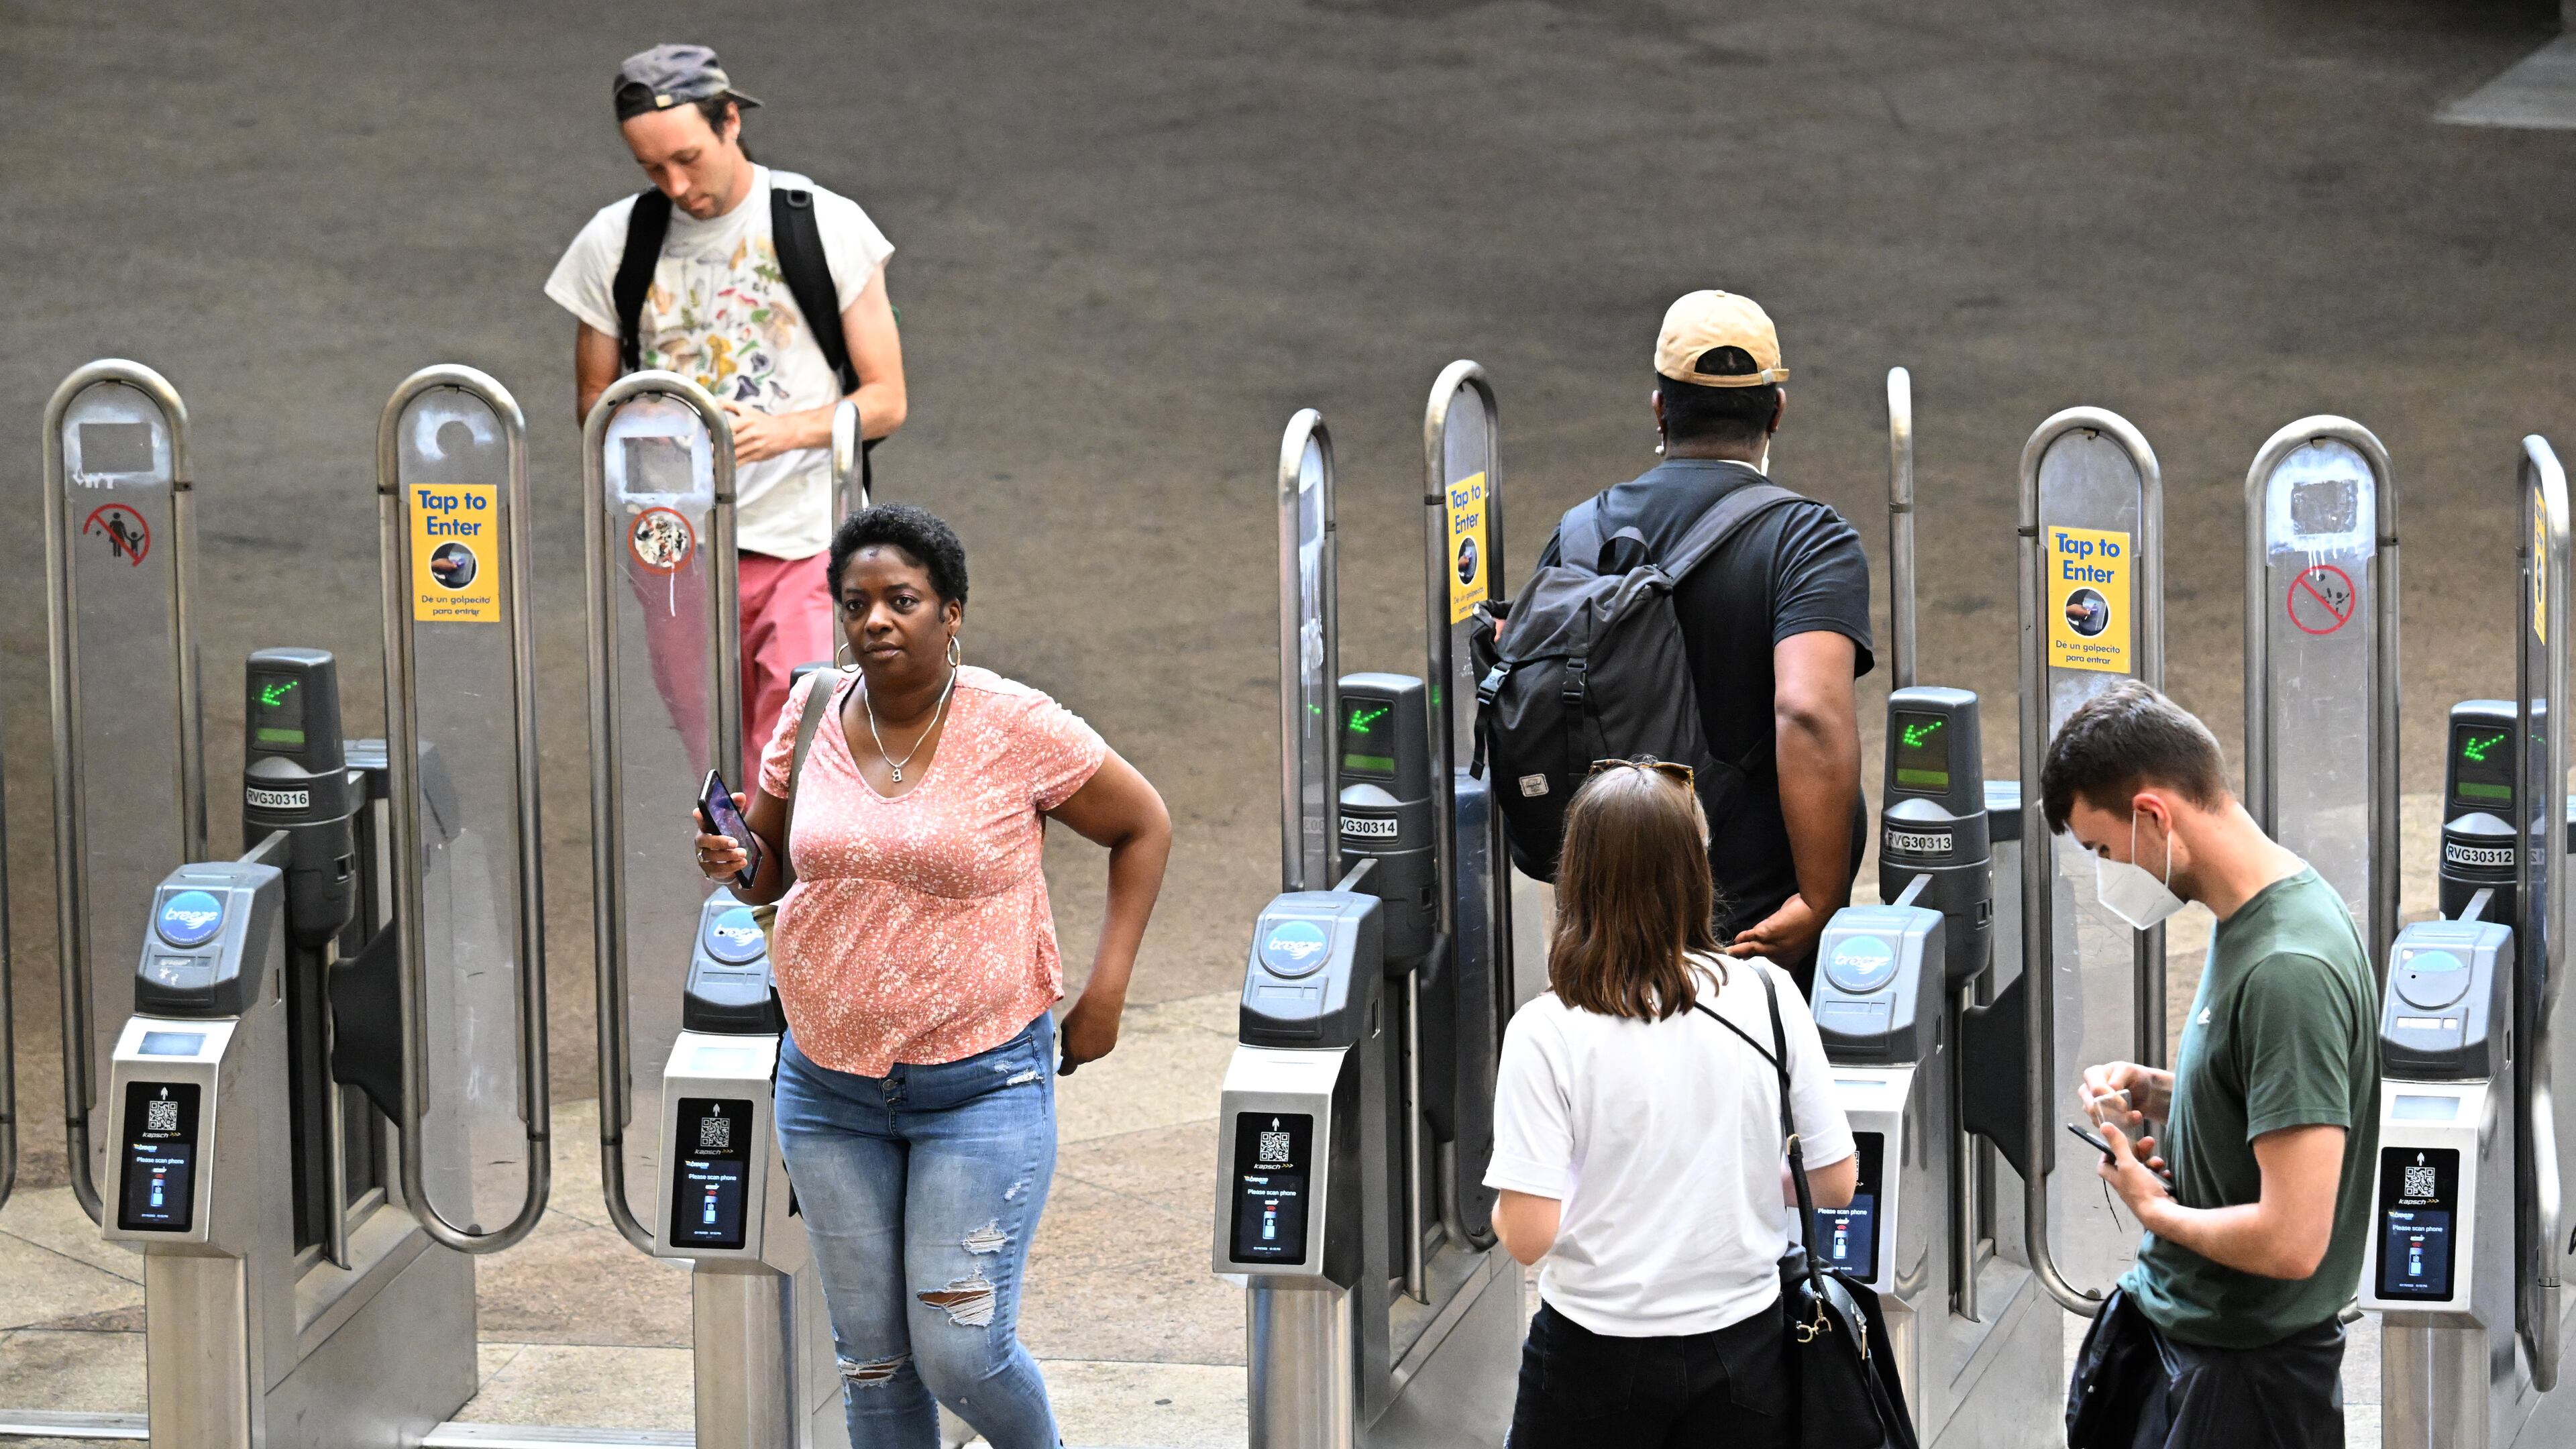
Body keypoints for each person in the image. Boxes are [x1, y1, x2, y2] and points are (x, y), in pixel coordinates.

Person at [691, 504, 1171, 1448]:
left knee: (960, 1349)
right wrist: (737, 861)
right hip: (826, 1087)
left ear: (952, 612)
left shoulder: (1015, 724)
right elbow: (779, 866)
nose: (876, 620)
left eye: (902, 600)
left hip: (981, 1086)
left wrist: (1105, 993)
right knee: (873, 1361)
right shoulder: (816, 706)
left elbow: (1142, 824)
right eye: (856, 602)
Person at [548, 42, 908, 771]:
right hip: (675, 548)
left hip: (807, 540)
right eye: (652, 169)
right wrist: (652, 425)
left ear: (731, 122)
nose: (677, 186)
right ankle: (745, 886)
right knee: (715, 759)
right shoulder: (614, 243)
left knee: (803, 751)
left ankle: (795, 884)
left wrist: (781, 433)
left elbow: (887, 400)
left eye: (688, 158)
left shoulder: (824, 225)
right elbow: (595, 403)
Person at [2044, 680, 2379, 1449]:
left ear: (2154, 814)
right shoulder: (2260, 910)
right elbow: (2266, 1090)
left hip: (2243, 1386)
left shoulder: (2287, 967)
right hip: (2201, 1350)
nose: (2105, 877)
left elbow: (2292, 1238)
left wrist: (2152, 1208)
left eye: (2102, 850)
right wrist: (2161, 1092)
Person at [1485, 759, 1857, 1448]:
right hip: (1747, 1349)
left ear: (1578, 878)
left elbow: (1529, 1233)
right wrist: (1733, 1185)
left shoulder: (1546, 1029)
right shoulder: (1769, 994)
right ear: (1696, 870)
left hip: (1591, 1351)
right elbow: (1835, 1182)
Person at [1526, 290, 1870, 990]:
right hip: (1745, 925)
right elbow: (1807, 710)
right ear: (1776, 410)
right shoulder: (1807, 541)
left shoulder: (1580, 533)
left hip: (1606, 921)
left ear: (1660, 408)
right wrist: (1818, 898)